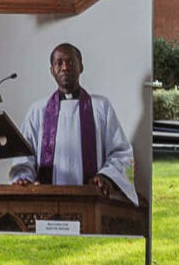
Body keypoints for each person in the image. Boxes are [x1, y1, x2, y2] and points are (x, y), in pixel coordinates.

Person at [9, 43, 138, 205]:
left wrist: (106, 176)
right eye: (59, 63)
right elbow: (23, 156)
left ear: (81, 66)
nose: (65, 67)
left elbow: (121, 153)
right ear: (52, 70)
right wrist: (23, 178)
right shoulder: (37, 111)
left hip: (91, 202)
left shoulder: (101, 107)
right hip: (45, 202)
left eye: (70, 62)